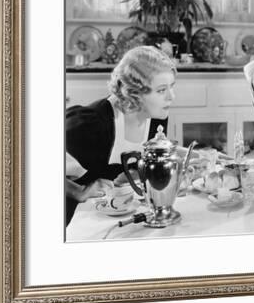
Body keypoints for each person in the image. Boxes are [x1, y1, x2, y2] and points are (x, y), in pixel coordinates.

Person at [65, 45, 177, 226]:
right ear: (135, 92)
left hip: (117, 218)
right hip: (71, 223)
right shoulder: (91, 124)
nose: (172, 96)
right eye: (161, 90)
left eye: (172, 87)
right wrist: (78, 191)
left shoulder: (155, 115)